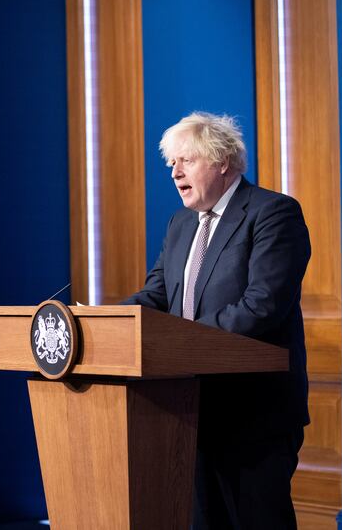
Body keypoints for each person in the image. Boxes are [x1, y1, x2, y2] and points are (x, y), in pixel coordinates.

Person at [122, 112, 311, 529]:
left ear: (222, 160)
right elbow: (158, 294)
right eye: (171, 163)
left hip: (253, 414)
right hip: (186, 410)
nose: (175, 172)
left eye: (185, 160)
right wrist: (108, 321)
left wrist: (181, 341)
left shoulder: (273, 213)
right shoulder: (179, 224)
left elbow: (262, 305)